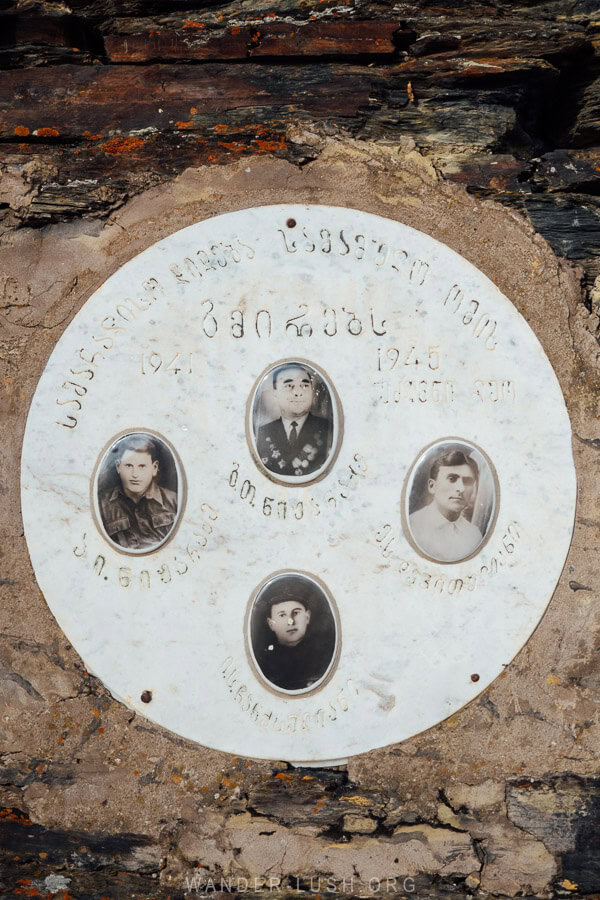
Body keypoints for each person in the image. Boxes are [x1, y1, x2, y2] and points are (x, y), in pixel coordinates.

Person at [98, 434, 177, 550]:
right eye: (129, 465)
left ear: (154, 468)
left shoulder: (174, 501)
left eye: (142, 466)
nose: (135, 474)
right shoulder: (102, 505)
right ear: (118, 467)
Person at [255, 364, 332, 477]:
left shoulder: (328, 429)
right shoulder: (262, 433)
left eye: (305, 385)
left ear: (312, 391)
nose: (298, 392)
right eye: (289, 385)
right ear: (275, 393)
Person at [409, 449, 483, 563]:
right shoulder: (413, 527)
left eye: (467, 481)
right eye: (452, 479)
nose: (461, 488)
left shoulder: (474, 535)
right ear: (432, 486)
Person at [255, 592, 335, 692]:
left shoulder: (325, 655)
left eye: (296, 613)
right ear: (271, 624)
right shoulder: (263, 661)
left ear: (307, 617)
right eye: (282, 615)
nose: (291, 621)